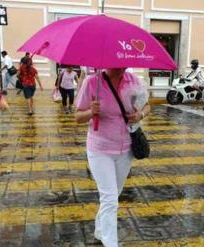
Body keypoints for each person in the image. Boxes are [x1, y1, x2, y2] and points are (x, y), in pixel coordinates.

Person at [75, 68, 150, 247]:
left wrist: (140, 114)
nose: (122, 66)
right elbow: (77, 116)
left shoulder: (133, 80)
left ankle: (100, 229)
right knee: (109, 198)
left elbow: (147, 106)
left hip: (126, 149)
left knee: (113, 195)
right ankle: (111, 243)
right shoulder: (92, 82)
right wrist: (90, 112)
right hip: (100, 149)